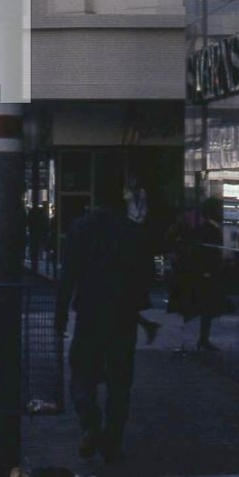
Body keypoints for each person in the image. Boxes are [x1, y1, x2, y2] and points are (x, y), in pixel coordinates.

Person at [56, 193, 155, 462]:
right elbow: (146, 277)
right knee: (120, 383)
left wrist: (60, 313)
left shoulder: (80, 228)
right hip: (122, 318)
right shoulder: (133, 232)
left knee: (81, 375)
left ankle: (90, 423)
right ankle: (112, 443)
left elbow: (68, 273)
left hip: (89, 314)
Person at [167, 198, 227, 351]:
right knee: (202, 306)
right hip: (202, 272)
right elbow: (211, 253)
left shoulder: (202, 227)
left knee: (198, 307)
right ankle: (199, 340)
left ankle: (195, 340)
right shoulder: (209, 229)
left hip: (198, 272)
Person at [27, 204, 50, 274]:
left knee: (35, 244)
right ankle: (38, 257)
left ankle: (35, 257)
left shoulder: (34, 217)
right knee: (38, 245)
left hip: (36, 233)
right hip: (39, 234)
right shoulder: (44, 217)